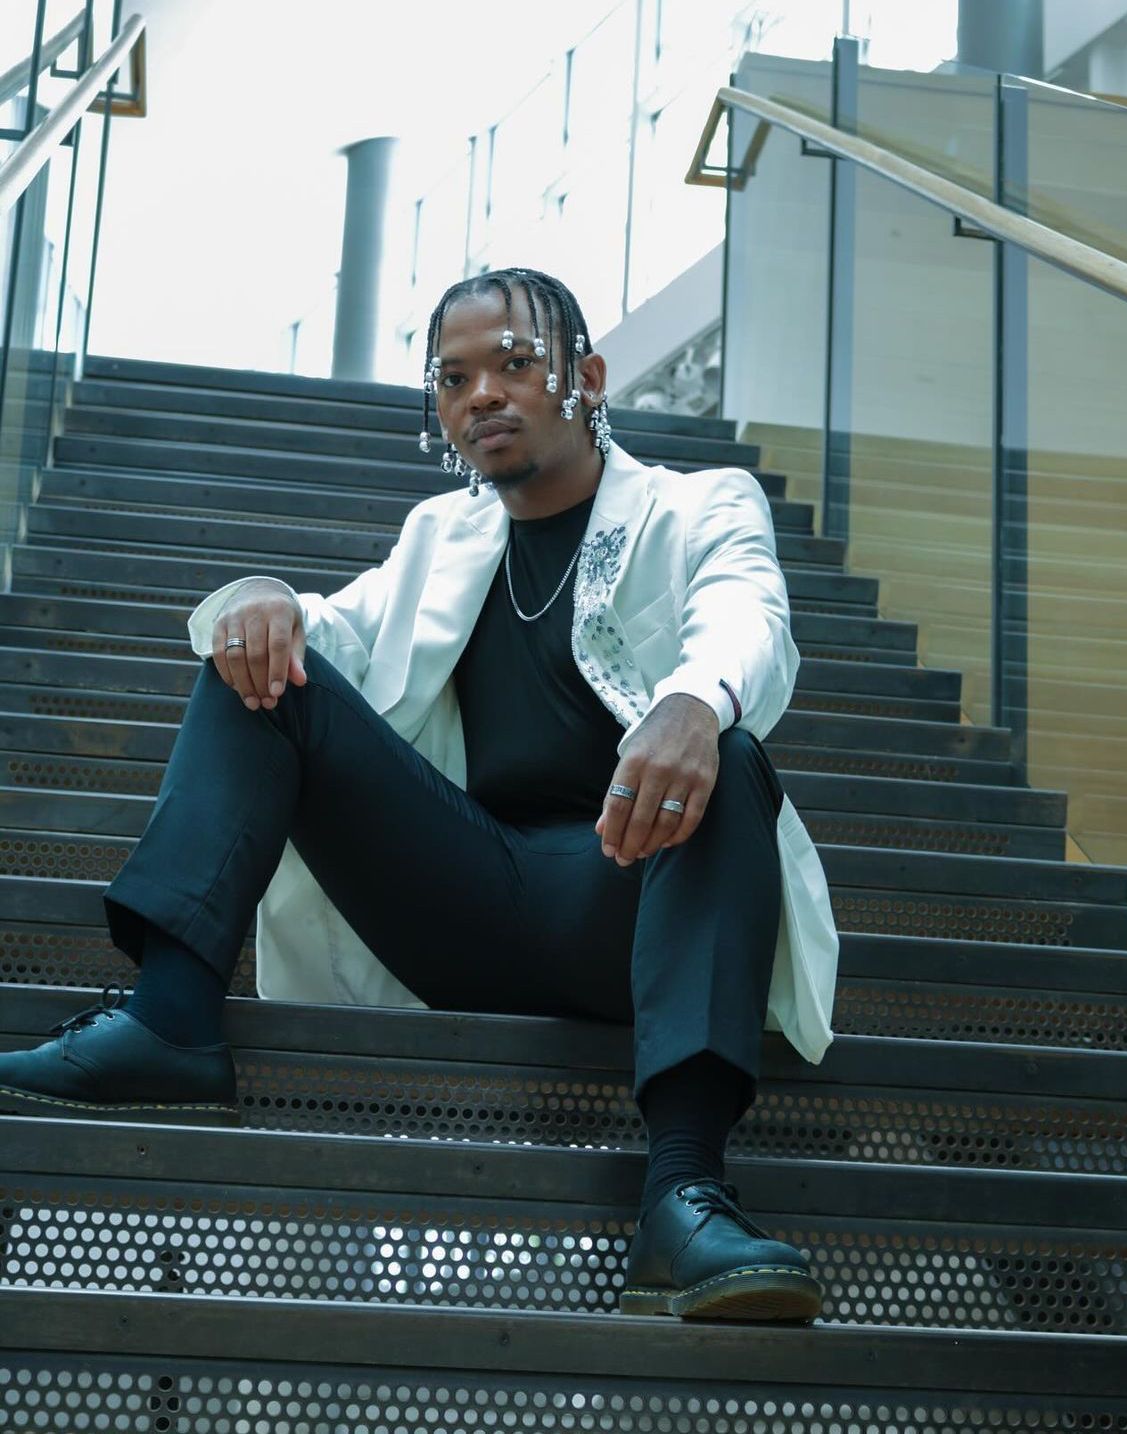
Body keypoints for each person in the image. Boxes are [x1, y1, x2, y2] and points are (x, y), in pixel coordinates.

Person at [0, 267, 839, 1322]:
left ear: (583, 377)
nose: (482, 393)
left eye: (514, 364)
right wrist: (262, 600)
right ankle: (170, 1019)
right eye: (453, 377)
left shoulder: (696, 503)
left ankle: (682, 1194)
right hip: (467, 893)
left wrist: (693, 702)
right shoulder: (442, 535)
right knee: (260, 663)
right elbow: (336, 632)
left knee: (735, 758)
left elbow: (746, 616)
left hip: (629, 900)